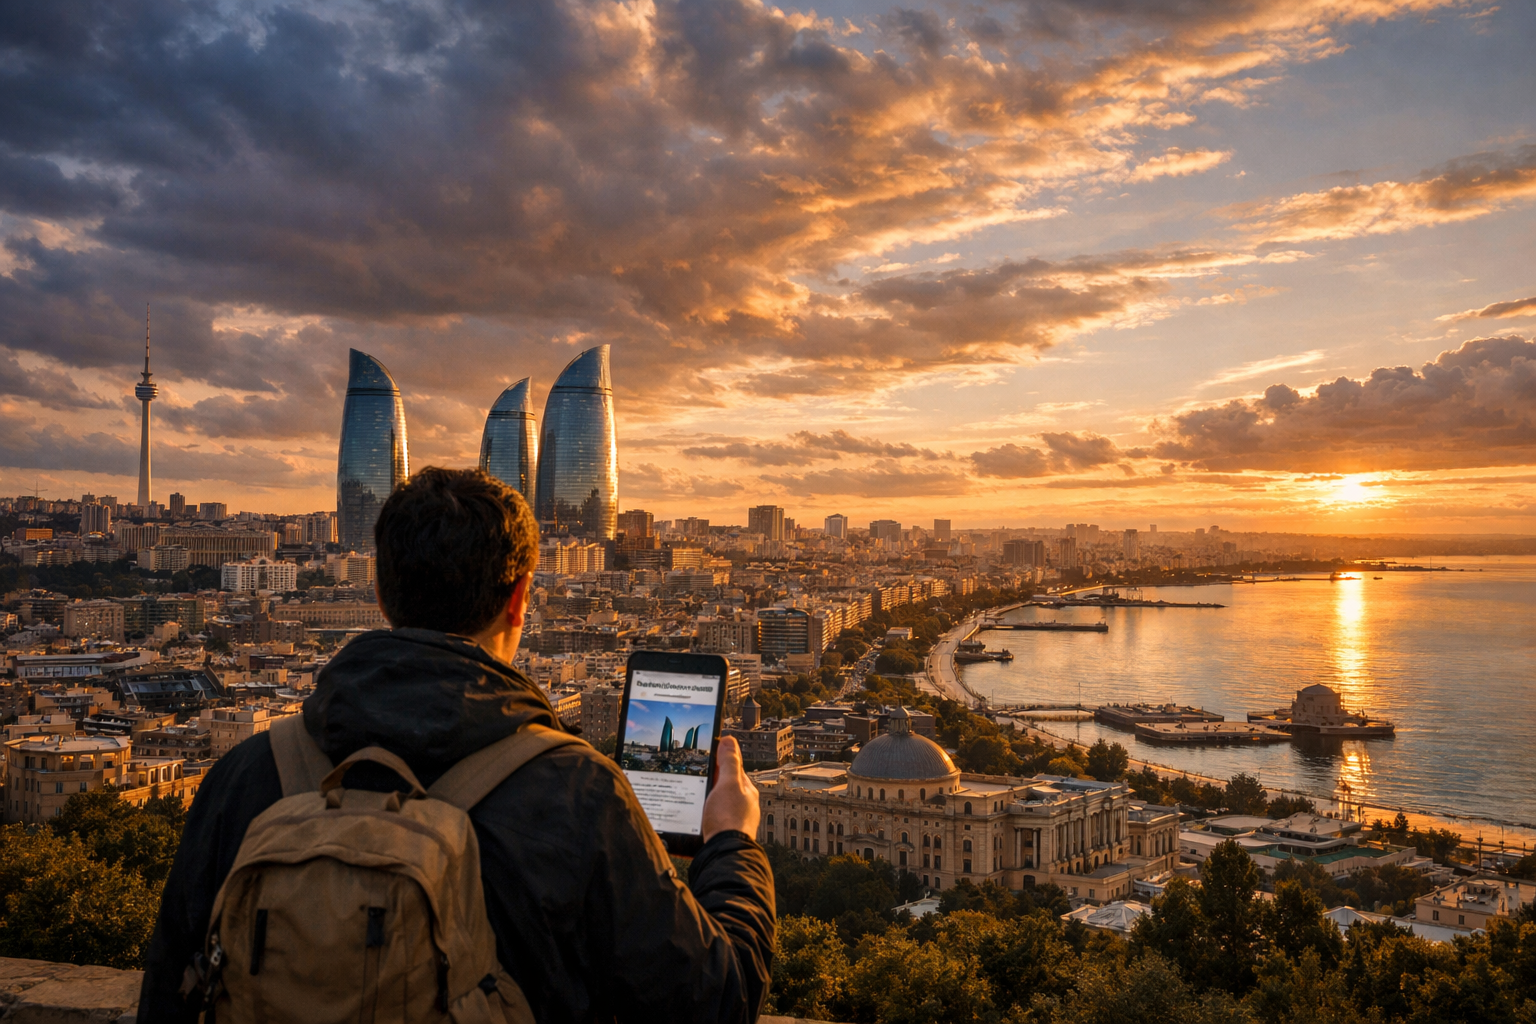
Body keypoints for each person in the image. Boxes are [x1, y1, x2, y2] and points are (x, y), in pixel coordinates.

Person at [137, 468, 774, 1022]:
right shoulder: (578, 795)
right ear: (521, 599)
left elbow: (171, 995)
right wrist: (731, 844)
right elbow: (714, 1001)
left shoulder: (247, 774)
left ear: (382, 596)